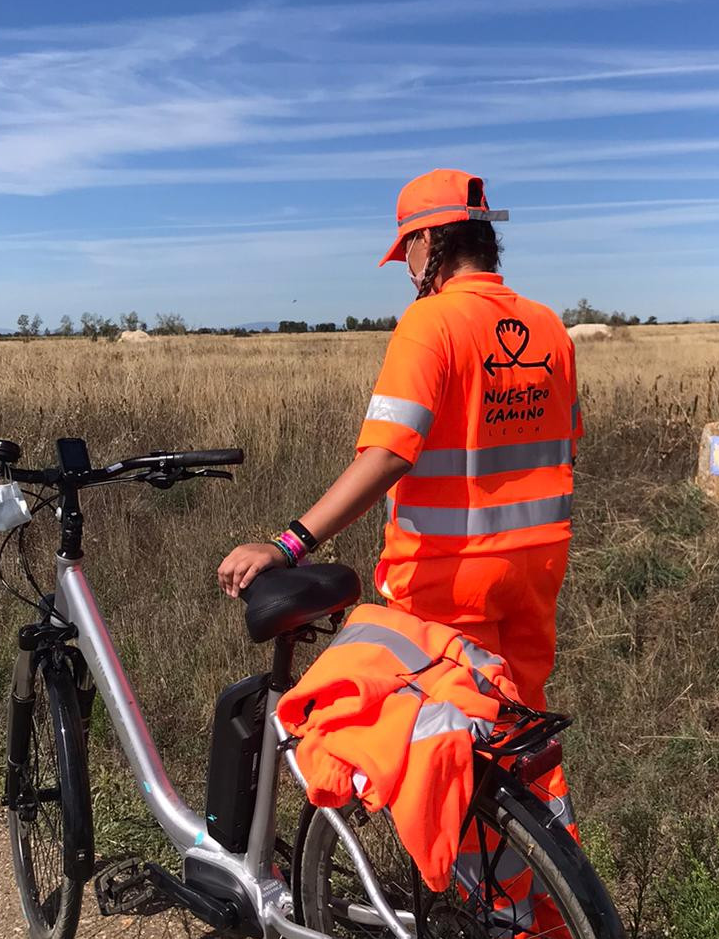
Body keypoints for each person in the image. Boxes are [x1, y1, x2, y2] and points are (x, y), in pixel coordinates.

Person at [217, 168, 581, 734]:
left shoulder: (430, 322)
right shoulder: (547, 326)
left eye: (406, 251)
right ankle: (545, 824)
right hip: (540, 566)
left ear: (427, 241)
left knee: (448, 741)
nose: (408, 270)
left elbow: (387, 455)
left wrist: (288, 545)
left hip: (452, 575)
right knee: (519, 724)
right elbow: (565, 446)